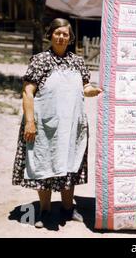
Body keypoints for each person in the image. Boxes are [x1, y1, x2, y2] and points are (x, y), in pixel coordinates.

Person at [12, 18, 102, 228]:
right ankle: (44, 211)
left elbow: (85, 87)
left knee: (70, 163)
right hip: (44, 125)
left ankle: (68, 208)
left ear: (71, 38)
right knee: (44, 163)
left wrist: (94, 90)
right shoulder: (40, 60)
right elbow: (27, 91)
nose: (62, 37)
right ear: (50, 35)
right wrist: (30, 122)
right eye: (58, 33)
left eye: (66, 34)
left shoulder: (77, 62)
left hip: (71, 126)